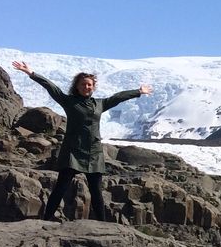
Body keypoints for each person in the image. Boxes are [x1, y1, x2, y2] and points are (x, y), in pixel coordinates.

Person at [11, 61, 153, 221]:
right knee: (60, 188)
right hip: (73, 151)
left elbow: (118, 97)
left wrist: (138, 91)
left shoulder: (99, 104)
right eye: (83, 84)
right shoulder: (69, 101)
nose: (87, 87)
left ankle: (103, 224)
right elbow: (51, 87)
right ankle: (46, 219)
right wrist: (31, 73)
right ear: (77, 86)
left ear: (93, 87)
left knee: (96, 191)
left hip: (94, 152)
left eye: (89, 85)